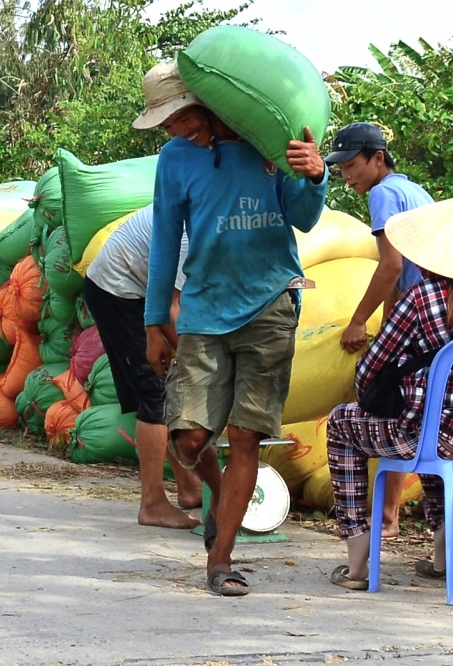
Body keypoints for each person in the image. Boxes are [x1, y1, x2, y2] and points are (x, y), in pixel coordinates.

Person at [143, 63, 328, 597]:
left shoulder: (270, 145)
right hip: (203, 309)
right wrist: (155, 320)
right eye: (166, 123)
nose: (175, 130)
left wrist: (314, 175)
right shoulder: (175, 159)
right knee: (189, 437)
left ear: (209, 102)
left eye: (179, 117)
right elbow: (164, 239)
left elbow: (306, 217)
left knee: (246, 436)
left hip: (270, 304)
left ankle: (221, 559)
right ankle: (222, 505)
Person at [324, 195, 453, 591]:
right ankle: (443, 554)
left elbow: (370, 370)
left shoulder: (422, 298)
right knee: (432, 419)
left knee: (343, 425)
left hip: (438, 438)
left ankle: (356, 561)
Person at [323, 121, 434, 538]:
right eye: (341, 168)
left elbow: (390, 266)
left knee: (384, 409)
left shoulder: (384, 193)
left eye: (352, 165)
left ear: (378, 159)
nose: (347, 175)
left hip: (423, 322)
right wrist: (388, 327)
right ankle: (389, 516)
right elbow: (403, 270)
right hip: (434, 320)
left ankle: (381, 520)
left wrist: (356, 321)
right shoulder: (413, 190)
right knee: (410, 413)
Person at [82, 205, 197, 528]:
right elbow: (172, 305)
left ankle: (189, 487)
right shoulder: (190, 230)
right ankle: (153, 504)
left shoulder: (212, 215)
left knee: (166, 388)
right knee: (156, 391)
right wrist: (195, 362)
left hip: (139, 289)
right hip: (117, 291)